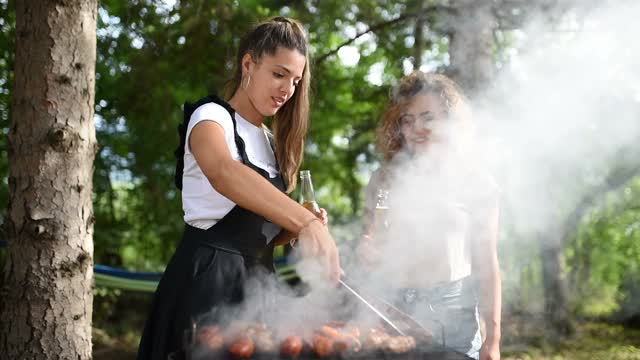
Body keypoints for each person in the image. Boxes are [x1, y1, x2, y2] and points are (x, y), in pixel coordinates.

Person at [137, 17, 340, 360]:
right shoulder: (211, 117)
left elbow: (256, 233)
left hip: (260, 289)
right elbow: (224, 172)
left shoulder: (271, 141)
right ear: (249, 63)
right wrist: (304, 223)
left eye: (295, 80)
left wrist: (294, 227)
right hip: (208, 283)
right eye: (279, 74)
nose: (287, 90)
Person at [357, 71, 501, 360]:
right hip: (392, 312)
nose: (416, 128)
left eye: (428, 117)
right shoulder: (383, 180)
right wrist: (367, 248)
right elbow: (375, 240)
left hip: (452, 317)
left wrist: (493, 340)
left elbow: (487, 265)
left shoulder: (476, 182)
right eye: (407, 120)